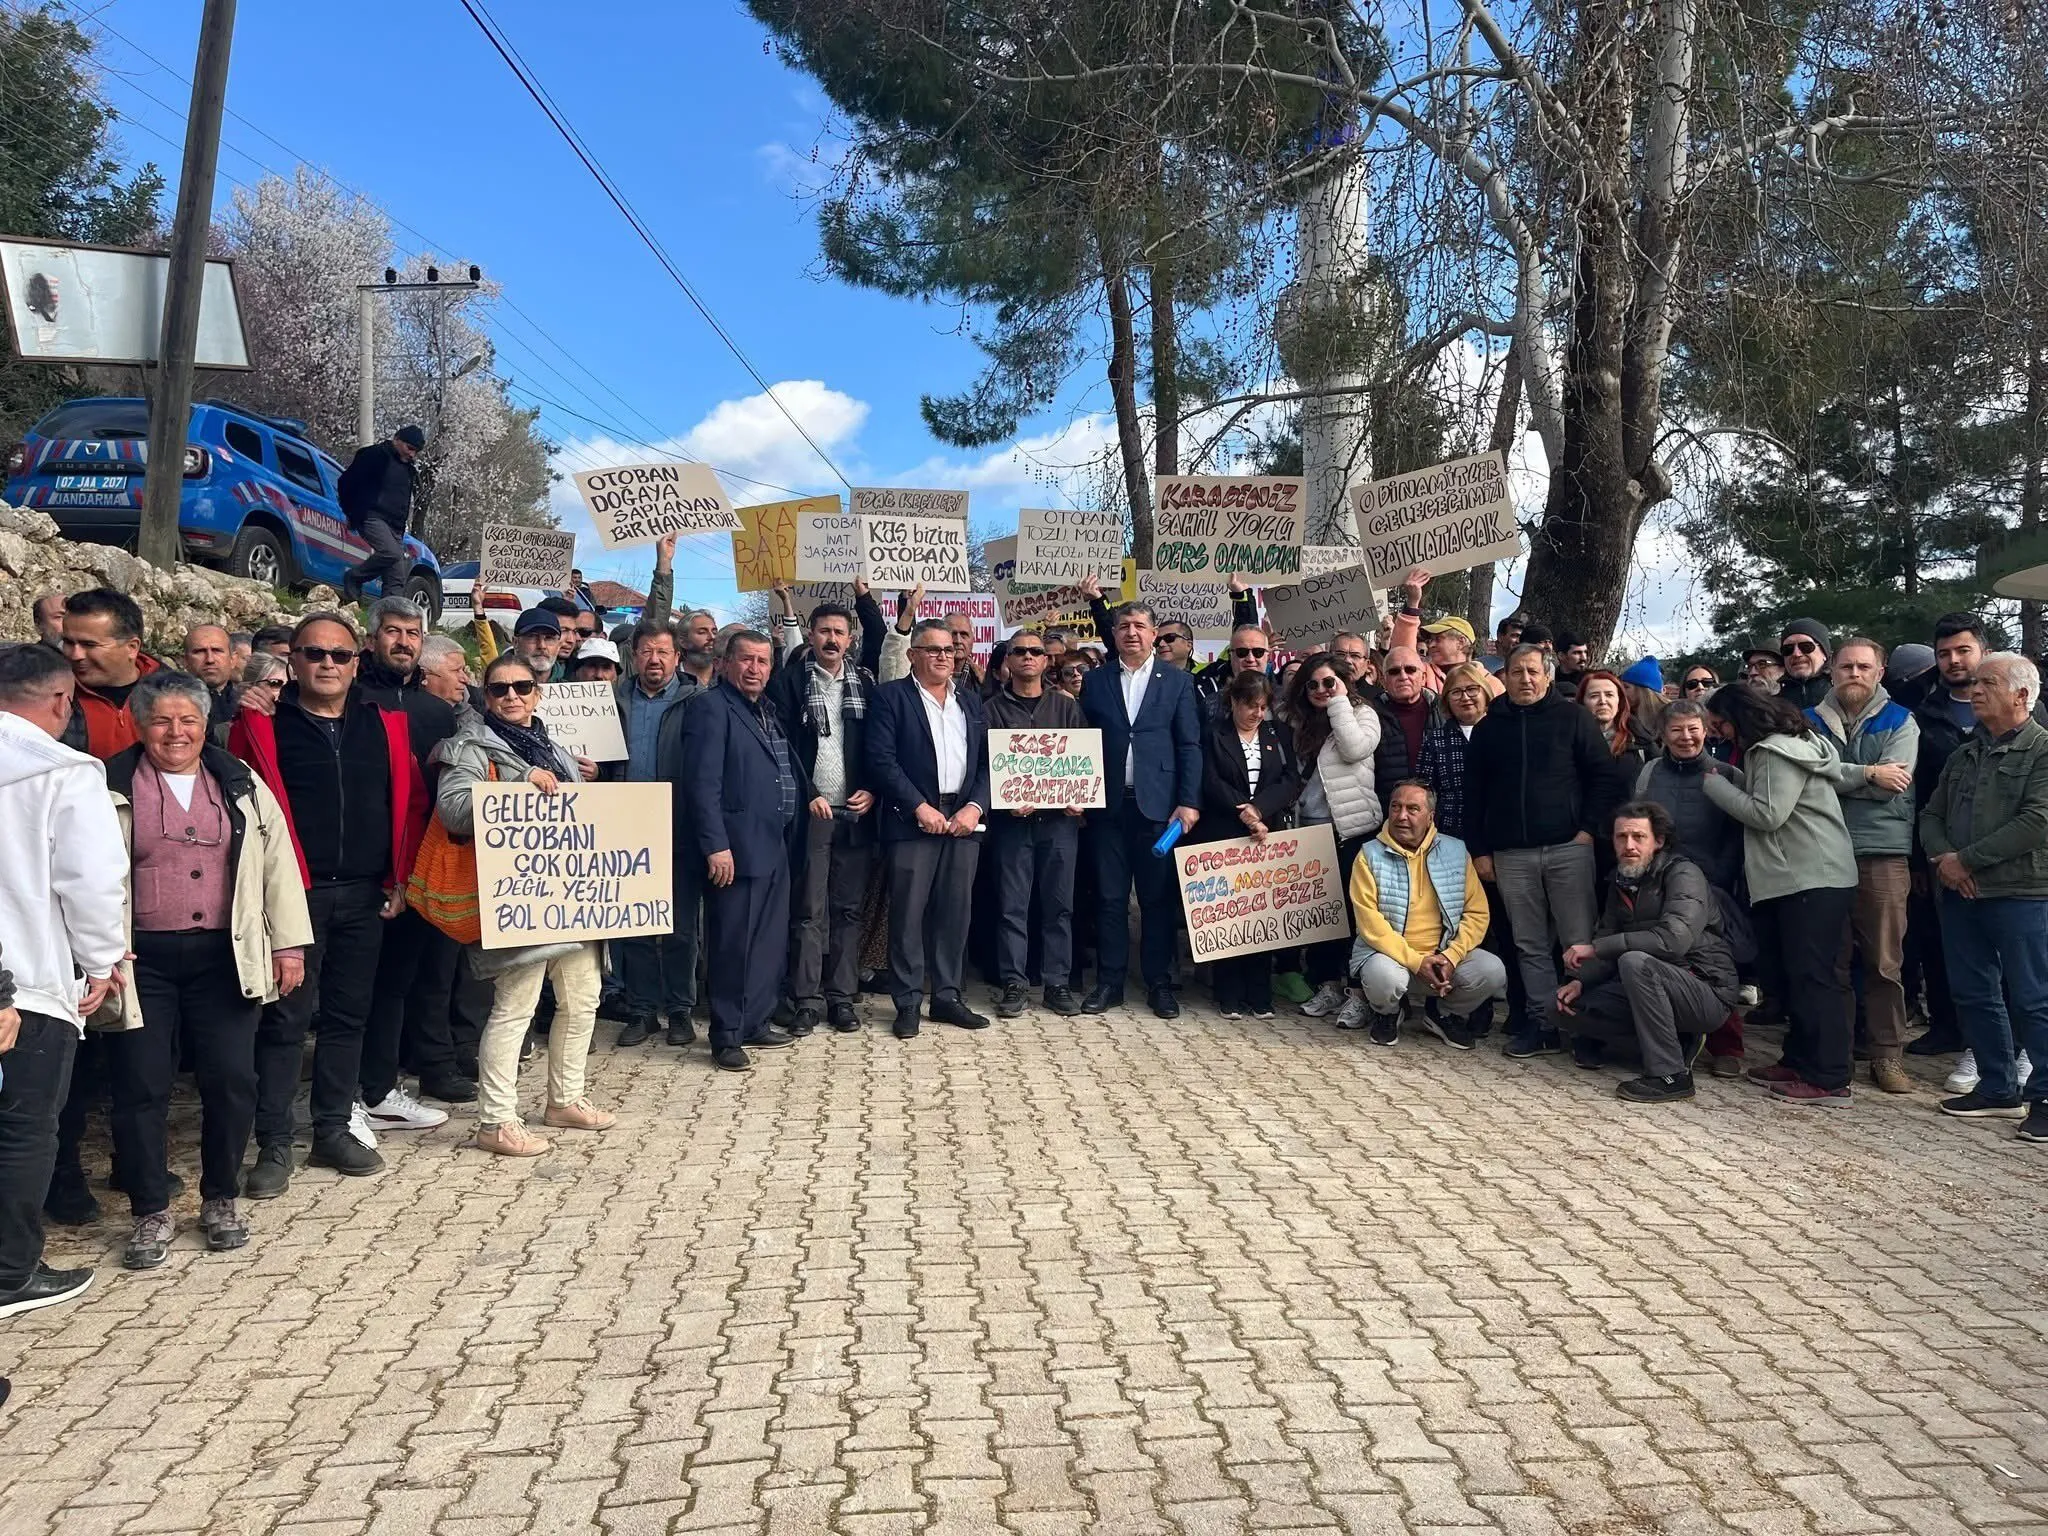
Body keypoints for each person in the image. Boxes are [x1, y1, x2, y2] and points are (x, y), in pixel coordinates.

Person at [97, 673, 313, 1264]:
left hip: (226, 955)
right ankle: (150, 1211)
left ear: (203, 724)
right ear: (140, 726)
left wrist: (288, 946)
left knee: (231, 1081)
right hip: (141, 963)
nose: (176, 732)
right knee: (140, 1086)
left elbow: (278, 865)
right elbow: (83, 874)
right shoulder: (107, 786)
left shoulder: (240, 782)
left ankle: (219, 1197)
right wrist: (97, 953)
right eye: (162, 721)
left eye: (188, 720)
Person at [229, 612, 428, 1190]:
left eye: (339, 655)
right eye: (314, 653)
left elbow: (410, 804)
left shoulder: (383, 724)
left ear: (356, 662)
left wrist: (400, 877)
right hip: (295, 896)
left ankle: (332, 1128)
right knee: (284, 1021)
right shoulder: (263, 723)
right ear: (292, 660)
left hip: (366, 895)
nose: (327, 665)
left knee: (348, 1018)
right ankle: (272, 1144)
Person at [429, 654, 615, 1154]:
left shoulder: (556, 747)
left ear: (538, 692)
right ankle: (495, 1121)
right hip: (519, 900)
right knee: (515, 1009)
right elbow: (452, 810)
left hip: (573, 898)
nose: (511, 696)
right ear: (484, 696)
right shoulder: (469, 746)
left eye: (521, 687)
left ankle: (565, 1099)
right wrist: (516, 785)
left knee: (582, 1001)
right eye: (498, 689)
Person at [0, 644, 123, 1321]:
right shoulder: (65, 772)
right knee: (23, 1131)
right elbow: (91, 881)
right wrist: (102, 962)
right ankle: (12, 1272)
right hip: (29, 983)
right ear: (59, 702)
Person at [1702, 684, 1858, 1105]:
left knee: (1814, 978)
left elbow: (1767, 814)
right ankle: (1800, 1060)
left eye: (1721, 724)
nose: (1720, 734)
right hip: (1803, 878)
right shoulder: (1796, 743)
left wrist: (1715, 787)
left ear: (1739, 716)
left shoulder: (1772, 751)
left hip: (1808, 877)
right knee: (1795, 977)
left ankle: (1828, 1076)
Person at [1465, 644, 1619, 1059]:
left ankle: (1586, 1024)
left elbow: (1603, 778)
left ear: (1547, 676)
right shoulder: (1488, 726)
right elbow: (1473, 794)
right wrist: (1480, 850)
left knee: (1578, 942)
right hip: (1510, 854)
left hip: (1569, 847)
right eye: (1517, 672)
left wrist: (1587, 832)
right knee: (1528, 944)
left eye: (1533, 671)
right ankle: (1544, 1022)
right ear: (1506, 676)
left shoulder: (1574, 718)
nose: (1526, 679)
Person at [351, 596, 472, 1118]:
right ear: (373, 637)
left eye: (412, 633)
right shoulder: (348, 701)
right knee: (353, 989)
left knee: (402, 983)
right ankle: (345, 1096)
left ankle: (378, 1090)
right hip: (359, 870)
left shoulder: (438, 715)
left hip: (423, 870)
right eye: (393, 631)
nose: (403, 641)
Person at [1919, 652, 2048, 1138]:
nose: (1975, 690)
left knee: (2034, 998)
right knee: (1974, 992)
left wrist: (1964, 861)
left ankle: (2045, 1094)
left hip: (2023, 893)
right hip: (1962, 892)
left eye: (1987, 683)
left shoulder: (2043, 750)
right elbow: (1930, 815)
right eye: (1975, 683)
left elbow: (2038, 821)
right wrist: (1945, 860)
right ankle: (1997, 1089)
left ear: (2021, 695)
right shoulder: (1964, 753)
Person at [683, 631, 812, 1068]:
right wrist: (715, 845)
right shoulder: (710, 708)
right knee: (734, 944)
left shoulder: (765, 710)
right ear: (724, 663)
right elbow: (702, 784)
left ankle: (754, 1021)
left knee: (767, 942)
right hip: (734, 850)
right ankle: (726, 1034)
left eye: (762, 661)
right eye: (746, 660)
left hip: (773, 842)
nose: (755, 669)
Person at [1557, 801, 1741, 1103]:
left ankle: (1671, 1075)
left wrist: (1594, 949)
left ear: (1659, 841)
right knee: (1563, 1008)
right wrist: (1580, 981)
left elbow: (1673, 940)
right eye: (1621, 837)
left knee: (1635, 962)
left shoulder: (1684, 874)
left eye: (1638, 837)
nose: (1629, 845)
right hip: (1654, 985)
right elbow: (1607, 934)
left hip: (1706, 988)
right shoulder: (1620, 879)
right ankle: (1672, 1039)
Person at [868, 620, 993, 1038]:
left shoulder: (972, 702)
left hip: (962, 821)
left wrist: (975, 807)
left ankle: (947, 997)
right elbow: (882, 760)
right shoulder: (890, 698)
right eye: (934, 649)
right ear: (913, 655)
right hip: (912, 820)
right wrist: (919, 806)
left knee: (955, 913)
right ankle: (906, 1002)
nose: (945, 656)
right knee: (907, 914)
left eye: (950, 650)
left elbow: (987, 763)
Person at [1806, 637, 1919, 1094]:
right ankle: (1834, 1051)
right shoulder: (1809, 720)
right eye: (1846, 666)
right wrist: (1869, 772)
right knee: (1831, 959)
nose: (1854, 673)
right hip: (1822, 850)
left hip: (1882, 853)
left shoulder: (1901, 720)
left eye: (1863, 667)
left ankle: (1886, 1054)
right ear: (1831, 669)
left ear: (1880, 671)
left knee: (1884, 961)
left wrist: (1842, 775)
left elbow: (1896, 782)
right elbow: (1810, 779)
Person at [1078, 601, 1202, 1018]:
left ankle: (1159, 983)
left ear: (1153, 634)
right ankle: (1110, 983)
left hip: (1160, 808)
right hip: (1107, 807)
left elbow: (1189, 745)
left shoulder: (1178, 682)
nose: (1131, 632)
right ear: (1113, 635)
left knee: (1157, 900)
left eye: (1140, 626)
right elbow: (1083, 741)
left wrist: (1188, 801)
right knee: (1111, 898)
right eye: (1123, 626)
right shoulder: (1094, 682)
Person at [770, 600, 884, 1034]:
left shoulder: (866, 684)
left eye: (839, 632)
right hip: (812, 812)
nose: (831, 639)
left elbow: (879, 746)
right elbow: (782, 748)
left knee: (849, 909)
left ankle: (842, 997)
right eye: (823, 632)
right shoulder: (790, 682)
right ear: (811, 635)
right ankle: (806, 999)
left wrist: (872, 790)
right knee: (808, 909)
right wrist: (809, 793)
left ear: (850, 639)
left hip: (855, 813)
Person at [980, 631, 1089, 1017]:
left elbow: (1083, 763)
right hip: (1012, 826)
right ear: (1007, 661)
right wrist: (1002, 802)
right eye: (1019, 651)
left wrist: (1082, 798)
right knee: (1012, 907)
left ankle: (1057, 984)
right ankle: (1014, 983)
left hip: (1059, 825)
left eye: (1036, 652)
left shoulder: (1067, 709)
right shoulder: (990, 710)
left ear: (1047, 661)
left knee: (1059, 906)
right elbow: (982, 768)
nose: (1028, 657)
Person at [1347, 780, 1503, 1048]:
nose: (1401, 816)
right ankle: (1388, 1013)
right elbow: (1369, 924)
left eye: (1412, 809)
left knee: (1493, 971)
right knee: (1383, 978)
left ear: (1431, 817)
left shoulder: (1455, 851)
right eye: (1395, 807)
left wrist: (1450, 957)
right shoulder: (1369, 855)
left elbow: (1477, 914)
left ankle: (1441, 1013)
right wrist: (1417, 962)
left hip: (1441, 958)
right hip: (1391, 957)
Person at [1283, 653, 1384, 1029]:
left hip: (1353, 830)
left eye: (1330, 682)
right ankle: (1328, 983)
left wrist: (1340, 701)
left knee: (1358, 917)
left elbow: (1355, 748)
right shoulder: (1297, 722)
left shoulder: (1363, 714)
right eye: (1314, 685)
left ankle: (1358, 993)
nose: (1322, 690)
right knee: (1322, 916)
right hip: (1309, 830)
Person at [1907, 612, 1990, 1062]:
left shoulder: (2022, 708)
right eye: (1944, 654)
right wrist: (1921, 859)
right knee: (1937, 941)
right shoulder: (1924, 714)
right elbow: (1917, 793)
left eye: (1963, 650)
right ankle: (1946, 1026)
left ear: (1983, 651)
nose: (1954, 660)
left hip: (2001, 852)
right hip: (1938, 849)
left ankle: (2001, 1044)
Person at [1196, 671, 1303, 1020]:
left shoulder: (1278, 734)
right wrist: (1244, 812)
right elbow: (1209, 780)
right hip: (1224, 833)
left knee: (1261, 917)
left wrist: (1260, 810)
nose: (1257, 713)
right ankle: (1228, 993)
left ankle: (1259, 994)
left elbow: (1290, 780)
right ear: (1233, 702)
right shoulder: (1214, 735)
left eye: (1262, 706)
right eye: (1249, 706)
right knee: (1228, 918)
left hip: (1265, 836)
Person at [616, 621, 701, 1047]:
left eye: (663, 652)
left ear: (677, 657)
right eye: (646, 651)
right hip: (623, 826)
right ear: (634, 657)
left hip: (678, 825)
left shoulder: (698, 701)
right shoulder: (613, 700)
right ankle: (642, 1010)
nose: (654, 659)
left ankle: (680, 1010)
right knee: (633, 924)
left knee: (680, 925)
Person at [60, 587, 160, 760]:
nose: (76, 655)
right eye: (69, 642)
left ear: (132, 647)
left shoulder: (175, 692)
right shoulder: (50, 696)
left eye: (89, 645)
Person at [336, 425, 424, 603]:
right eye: (410, 448)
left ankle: (388, 617)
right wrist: (351, 512)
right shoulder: (374, 455)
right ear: (397, 439)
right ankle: (355, 577)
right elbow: (346, 482)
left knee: (397, 577)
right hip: (372, 516)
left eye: (416, 451)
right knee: (390, 553)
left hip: (396, 526)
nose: (412, 454)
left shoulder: (409, 469)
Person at [1417, 662, 1491, 842]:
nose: (1465, 697)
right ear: (1447, 700)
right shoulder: (1435, 740)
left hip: (1498, 831)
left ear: (1485, 692)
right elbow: (1425, 790)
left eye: (1472, 689)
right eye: (1456, 692)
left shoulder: (1503, 731)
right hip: (1452, 833)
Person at [1372, 645, 1440, 787]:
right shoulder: (1370, 715)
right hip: (1389, 805)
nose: (1403, 676)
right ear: (1384, 681)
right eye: (1394, 671)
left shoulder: (1444, 709)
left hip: (1437, 805)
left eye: (1410, 670)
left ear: (1423, 678)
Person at [182, 624, 238, 731]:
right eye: (199, 651)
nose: (210, 659)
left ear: (233, 659)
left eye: (217, 650)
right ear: (185, 661)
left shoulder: (249, 705)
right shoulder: (172, 706)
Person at [1776, 618, 1833, 710]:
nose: (1796, 654)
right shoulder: (1773, 704)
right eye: (1788, 649)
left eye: (1806, 647)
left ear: (1824, 653)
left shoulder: (1843, 692)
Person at [510, 608, 568, 684]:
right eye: (532, 637)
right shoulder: (497, 685)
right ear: (515, 643)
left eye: (549, 638)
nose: (542, 646)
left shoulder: (574, 689)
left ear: (558, 645)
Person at [1554, 630, 1591, 700]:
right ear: (1561, 656)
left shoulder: (1591, 680)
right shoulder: (1549, 678)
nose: (1584, 658)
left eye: (1585, 652)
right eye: (1577, 653)